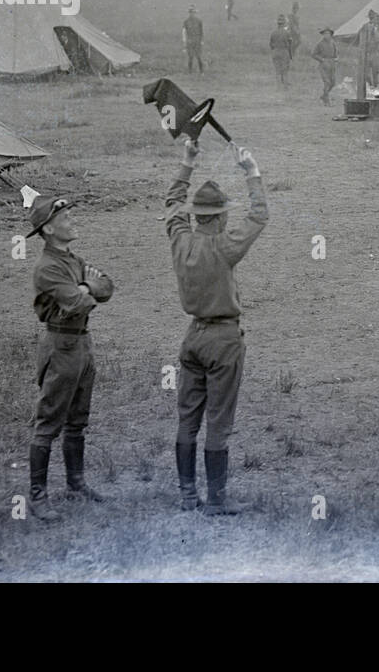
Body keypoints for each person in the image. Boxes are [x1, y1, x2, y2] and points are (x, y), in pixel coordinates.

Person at [165, 136, 269, 515]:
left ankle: (187, 495)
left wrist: (187, 161)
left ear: (196, 215)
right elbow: (259, 215)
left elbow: (172, 205)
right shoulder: (225, 245)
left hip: (192, 337)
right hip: (224, 339)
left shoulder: (181, 241)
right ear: (222, 216)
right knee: (219, 422)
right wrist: (252, 171)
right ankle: (217, 500)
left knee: (187, 420)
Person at [26, 195, 114, 521]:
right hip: (60, 345)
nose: (72, 220)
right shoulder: (47, 267)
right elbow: (77, 303)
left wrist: (86, 287)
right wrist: (88, 288)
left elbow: (107, 287)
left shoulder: (72, 260)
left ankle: (76, 484)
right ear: (48, 228)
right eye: (65, 217)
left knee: (78, 420)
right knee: (48, 422)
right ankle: (37, 497)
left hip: (81, 343)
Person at [311, 27, 338, 105]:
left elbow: (336, 53)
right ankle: (326, 101)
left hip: (332, 65)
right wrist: (322, 59)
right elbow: (313, 54)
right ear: (322, 35)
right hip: (323, 66)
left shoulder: (333, 43)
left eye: (328, 33)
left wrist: (336, 58)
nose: (326, 35)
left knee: (333, 83)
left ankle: (324, 95)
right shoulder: (320, 44)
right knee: (327, 82)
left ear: (330, 34)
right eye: (325, 34)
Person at [270, 15, 293, 87]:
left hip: (275, 51)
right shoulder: (287, 33)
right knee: (285, 70)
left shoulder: (273, 32)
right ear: (284, 23)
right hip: (284, 52)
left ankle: (278, 86)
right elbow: (290, 44)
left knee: (277, 70)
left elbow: (271, 44)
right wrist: (290, 55)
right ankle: (285, 86)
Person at [183, 6, 204, 74]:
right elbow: (184, 32)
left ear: (195, 13)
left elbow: (201, 32)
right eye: (190, 12)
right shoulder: (186, 22)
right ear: (189, 13)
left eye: (193, 12)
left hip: (197, 41)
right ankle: (190, 72)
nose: (192, 14)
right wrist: (185, 42)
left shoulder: (199, 21)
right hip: (190, 41)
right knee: (190, 57)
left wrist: (201, 41)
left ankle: (201, 72)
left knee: (199, 57)